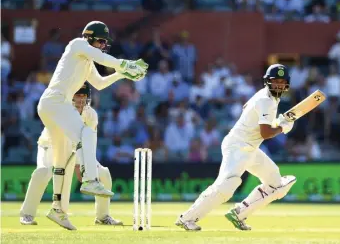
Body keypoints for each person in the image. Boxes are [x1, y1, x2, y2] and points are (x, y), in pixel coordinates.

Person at [36, 21, 148, 229]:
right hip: (55, 101)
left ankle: (58, 210)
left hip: (51, 106)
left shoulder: (87, 61)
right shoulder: (77, 44)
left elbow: (100, 83)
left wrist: (122, 73)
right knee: (85, 132)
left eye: (105, 42)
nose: (104, 45)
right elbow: (103, 58)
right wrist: (125, 64)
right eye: (101, 40)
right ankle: (90, 179)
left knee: (61, 159)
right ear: (89, 37)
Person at [175, 64, 297, 231]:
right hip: (238, 146)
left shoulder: (268, 97)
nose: (278, 85)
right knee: (226, 186)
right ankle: (187, 218)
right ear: (267, 82)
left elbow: (253, 118)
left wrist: (278, 122)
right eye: (275, 81)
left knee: (276, 184)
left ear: (287, 84)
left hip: (250, 148)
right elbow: (266, 133)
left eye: (281, 82)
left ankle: (239, 213)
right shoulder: (266, 100)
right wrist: (282, 127)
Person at [20, 84, 123, 229]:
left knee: (104, 174)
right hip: (50, 144)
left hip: (75, 149)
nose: (81, 99)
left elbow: (89, 143)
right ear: (71, 96)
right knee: (43, 172)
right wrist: (77, 165)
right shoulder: (62, 110)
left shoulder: (91, 115)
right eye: (77, 95)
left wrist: (86, 168)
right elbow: (63, 141)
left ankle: (102, 216)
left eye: (83, 96)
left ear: (88, 97)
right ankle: (27, 214)